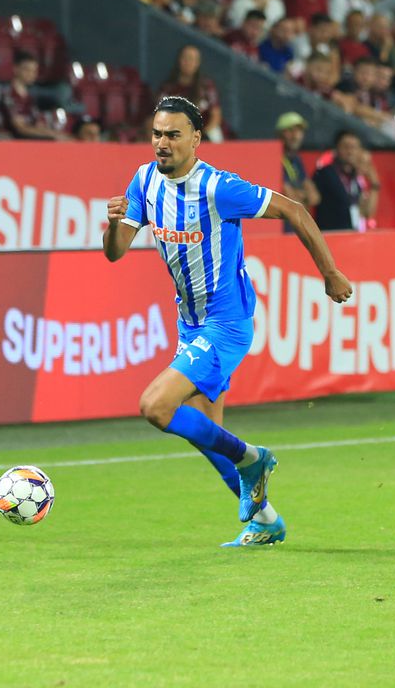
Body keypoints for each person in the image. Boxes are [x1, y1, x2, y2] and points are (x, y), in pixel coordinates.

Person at [103, 95, 352, 547]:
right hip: (190, 325)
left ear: (196, 139)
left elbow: (294, 210)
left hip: (226, 325)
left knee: (155, 407)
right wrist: (113, 225)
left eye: (173, 135)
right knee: (211, 438)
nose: (162, 143)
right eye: (157, 134)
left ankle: (254, 458)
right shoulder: (145, 180)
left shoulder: (218, 187)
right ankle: (266, 521)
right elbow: (116, 253)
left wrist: (330, 273)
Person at [311, 129, 379, 231]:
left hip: (352, 234)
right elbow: (312, 201)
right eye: (346, 147)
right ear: (336, 149)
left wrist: (374, 184)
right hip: (330, 235)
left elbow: (367, 212)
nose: (350, 152)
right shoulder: (324, 173)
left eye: (354, 147)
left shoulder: (356, 178)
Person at [276, 112, 320, 227]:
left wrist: (299, 194)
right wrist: (302, 195)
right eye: (290, 131)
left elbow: (314, 197)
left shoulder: (296, 159)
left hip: (296, 226)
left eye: (299, 131)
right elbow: (291, 199)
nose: (296, 136)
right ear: (279, 134)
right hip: (280, 227)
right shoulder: (274, 159)